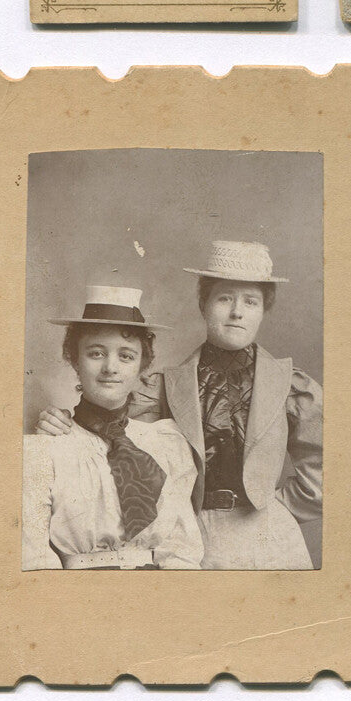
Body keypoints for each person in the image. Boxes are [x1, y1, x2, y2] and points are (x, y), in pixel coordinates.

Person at [36, 240, 322, 570]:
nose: (237, 312)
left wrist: (276, 508)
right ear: (203, 303)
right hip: (196, 536)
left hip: (270, 536)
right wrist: (60, 421)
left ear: (263, 310)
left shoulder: (291, 383)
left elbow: (323, 462)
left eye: (251, 301)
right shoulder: (163, 385)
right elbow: (111, 431)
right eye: (224, 298)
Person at [22, 286, 203, 570]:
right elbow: (33, 556)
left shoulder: (165, 444)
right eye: (95, 353)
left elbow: (182, 550)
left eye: (126, 356)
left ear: (143, 365)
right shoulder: (46, 448)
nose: (110, 367)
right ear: (74, 360)